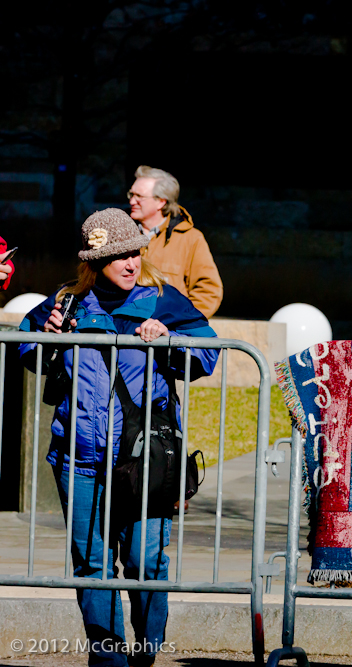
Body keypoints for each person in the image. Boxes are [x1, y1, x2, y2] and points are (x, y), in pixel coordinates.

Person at [19, 208, 218, 667]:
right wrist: (46, 337)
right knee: (93, 566)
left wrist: (169, 337)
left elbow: (207, 352)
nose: (129, 263)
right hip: (79, 460)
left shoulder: (161, 299)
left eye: (133, 253)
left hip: (145, 459)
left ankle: (147, 649)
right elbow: (25, 345)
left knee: (145, 563)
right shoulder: (67, 302)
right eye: (117, 256)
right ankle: (109, 660)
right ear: (93, 263)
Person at [129, 165, 223, 318]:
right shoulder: (119, 235)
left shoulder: (190, 239)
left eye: (139, 196)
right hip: (123, 333)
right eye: (131, 194)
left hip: (169, 336)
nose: (132, 201)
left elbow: (209, 292)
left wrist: (178, 322)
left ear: (161, 202)